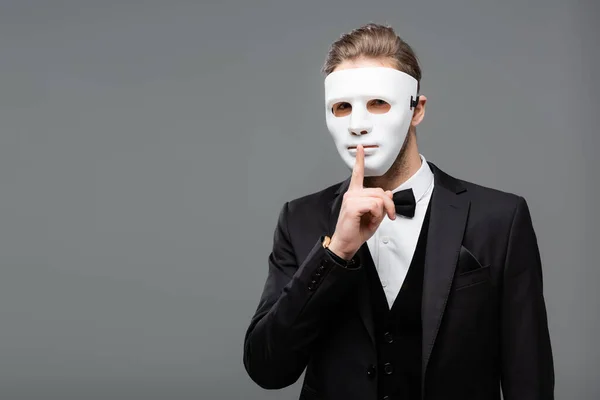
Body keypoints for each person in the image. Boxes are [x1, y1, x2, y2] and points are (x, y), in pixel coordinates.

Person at [242, 23, 554, 400]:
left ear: (416, 109)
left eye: (378, 103)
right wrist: (334, 252)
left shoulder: (500, 218)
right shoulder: (300, 219)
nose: (358, 125)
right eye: (343, 107)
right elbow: (267, 368)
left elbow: (529, 379)